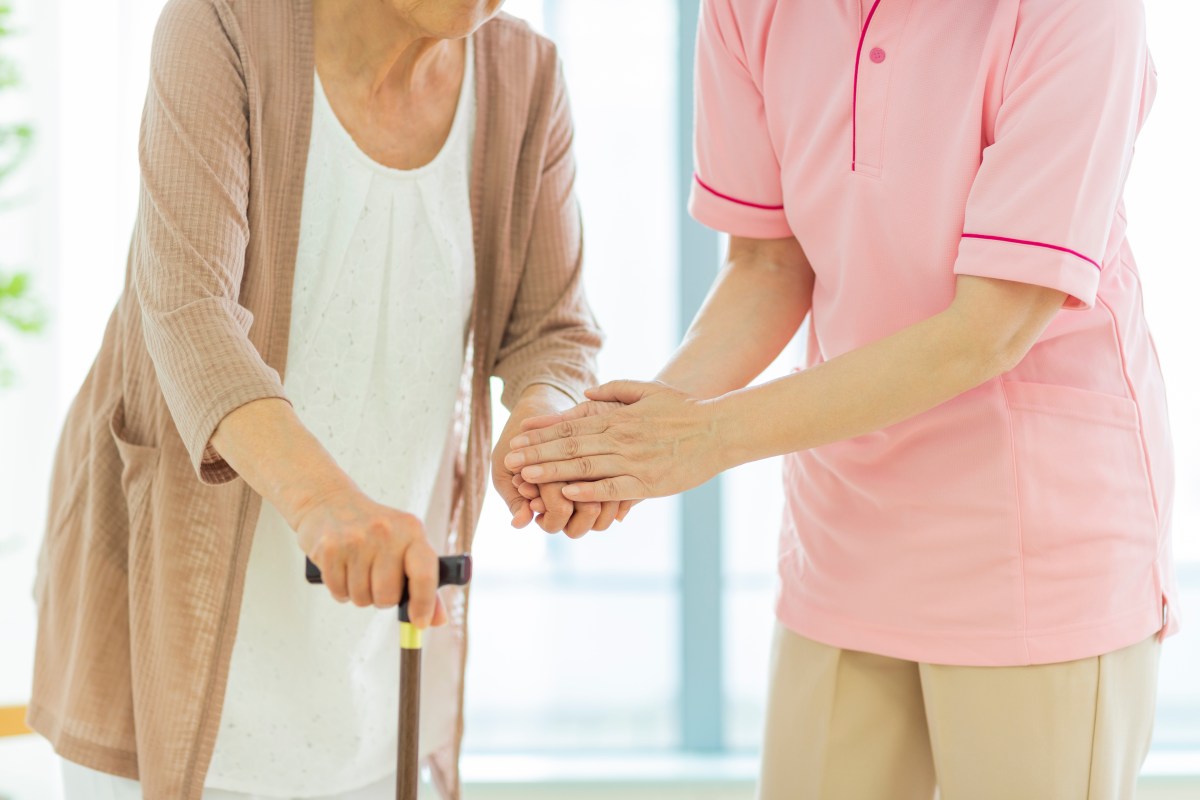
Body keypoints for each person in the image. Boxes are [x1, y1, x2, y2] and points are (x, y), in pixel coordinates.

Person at [509, 0, 1175, 797]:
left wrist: (701, 440)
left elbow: (990, 328)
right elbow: (766, 266)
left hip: (1034, 546)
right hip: (845, 536)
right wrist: (624, 440)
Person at [30, 0, 609, 797]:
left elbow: (554, 327)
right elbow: (191, 316)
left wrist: (542, 420)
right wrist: (328, 506)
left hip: (367, 661)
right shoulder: (221, 25)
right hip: (163, 631)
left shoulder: (527, 76)